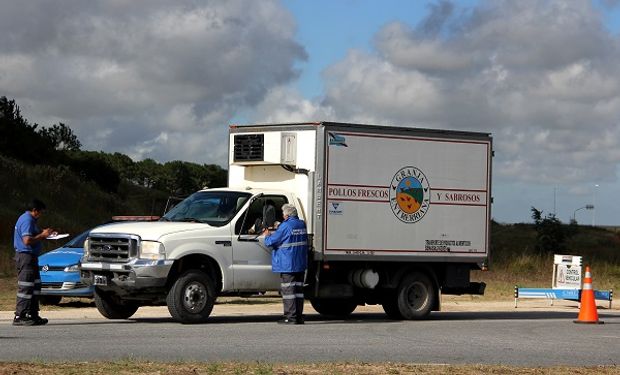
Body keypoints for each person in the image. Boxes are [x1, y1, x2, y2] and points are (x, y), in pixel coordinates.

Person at [263, 203, 308, 324]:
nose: (283, 216)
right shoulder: (302, 224)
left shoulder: (285, 226)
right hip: (300, 263)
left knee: (289, 292)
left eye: (283, 214)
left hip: (288, 264)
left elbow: (271, 242)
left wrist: (267, 235)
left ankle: (290, 317)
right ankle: (298, 317)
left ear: (287, 215)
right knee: (298, 292)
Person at [13, 199, 54, 326]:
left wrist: (45, 233)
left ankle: (33, 314)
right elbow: (27, 240)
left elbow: (34, 234)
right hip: (25, 257)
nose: (41, 215)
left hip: (32, 257)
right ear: (35, 210)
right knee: (26, 286)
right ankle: (20, 316)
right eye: (40, 212)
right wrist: (42, 236)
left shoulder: (30, 220)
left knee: (35, 286)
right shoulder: (27, 219)